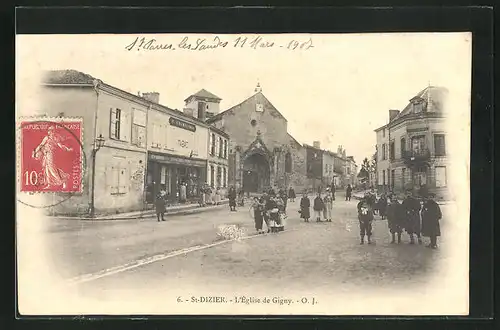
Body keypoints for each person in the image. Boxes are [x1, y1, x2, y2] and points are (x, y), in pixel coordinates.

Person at [32, 125, 73, 190]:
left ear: (54, 131)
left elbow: (61, 146)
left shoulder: (56, 138)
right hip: (46, 155)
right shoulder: (46, 138)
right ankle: (49, 184)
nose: (51, 132)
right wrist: (35, 152)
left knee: (52, 169)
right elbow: (40, 145)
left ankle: (62, 180)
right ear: (48, 132)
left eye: (52, 131)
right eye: (49, 131)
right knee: (47, 169)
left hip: (51, 155)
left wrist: (68, 149)